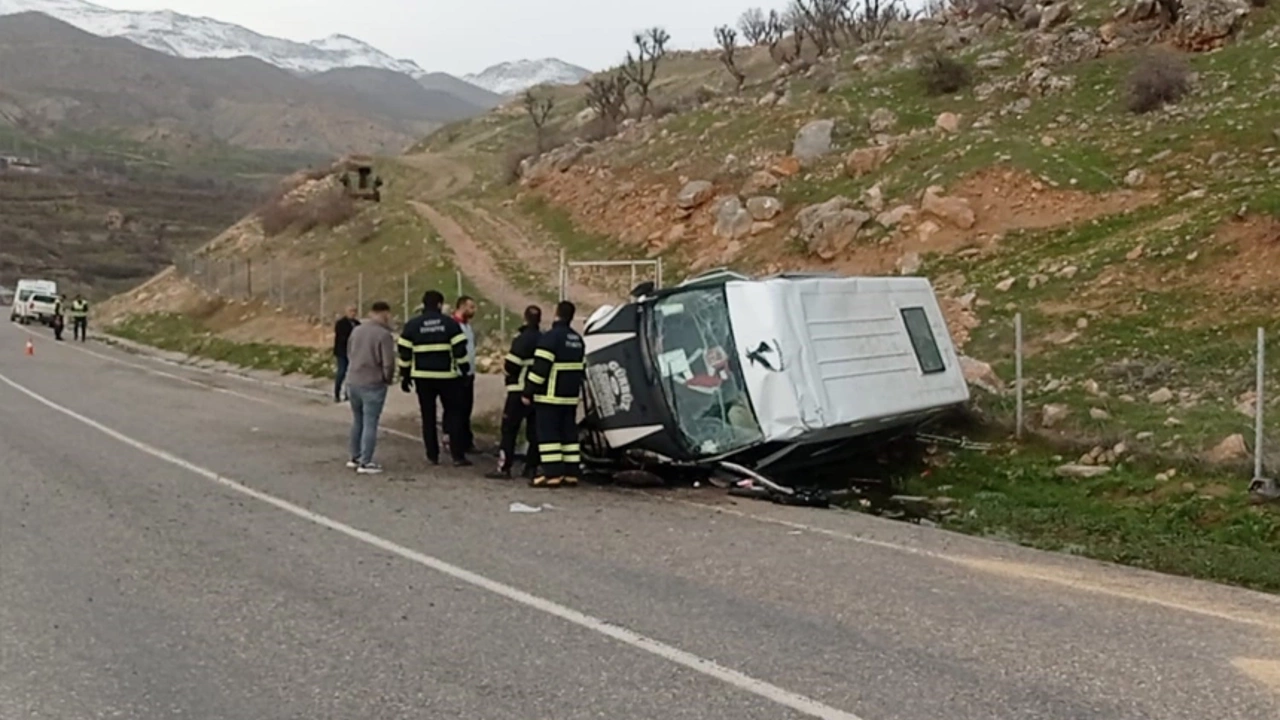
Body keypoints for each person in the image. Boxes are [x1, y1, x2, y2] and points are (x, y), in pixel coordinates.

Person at [398, 290, 472, 467]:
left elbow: (405, 353)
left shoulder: (412, 325)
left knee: (428, 416)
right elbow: (460, 351)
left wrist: (405, 376)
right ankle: (457, 455)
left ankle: (432, 454)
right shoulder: (450, 324)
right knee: (453, 415)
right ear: (440, 305)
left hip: (423, 378)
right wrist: (465, 370)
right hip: (448, 377)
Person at [524, 301, 585, 488]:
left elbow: (540, 368)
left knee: (548, 435)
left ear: (556, 313)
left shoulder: (551, 338)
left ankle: (552, 474)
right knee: (568, 436)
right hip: (570, 397)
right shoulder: (577, 339)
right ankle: (571, 473)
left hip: (549, 396)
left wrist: (528, 391)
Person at [486, 305, 542, 480]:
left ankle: (504, 467)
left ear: (525, 319)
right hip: (537, 392)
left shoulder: (521, 340)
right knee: (534, 432)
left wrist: (508, 373)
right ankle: (531, 468)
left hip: (518, 390)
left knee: (509, 430)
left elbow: (511, 365)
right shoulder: (544, 339)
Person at [344, 301, 396, 474]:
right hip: (372, 383)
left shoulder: (356, 330)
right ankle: (366, 462)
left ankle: (355, 456)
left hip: (353, 380)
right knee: (370, 422)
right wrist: (387, 379)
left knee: (358, 420)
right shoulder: (383, 335)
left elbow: (349, 353)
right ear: (384, 314)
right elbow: (388, 362)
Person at [451, 295, 478, 455]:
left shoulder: (467, 326)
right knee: (458, 409)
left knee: (467, 409)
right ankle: (456, 440)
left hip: (469, 373)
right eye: (470, 307)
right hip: (458, 374)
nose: (473, 311)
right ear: (461, 307)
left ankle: (466, 441)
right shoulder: (454, 326)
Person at [332, 306, 360, 403]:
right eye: (351, 311)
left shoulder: (357, 324)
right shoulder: (341, 324)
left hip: (353, 352)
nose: (353, 313)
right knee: (342, 372)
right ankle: (337, 393)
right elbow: (341, 337)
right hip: (342, 352)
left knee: (351, 374)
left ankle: (348, 394)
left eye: (354, 311)